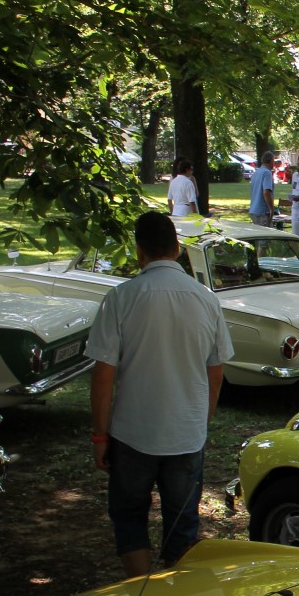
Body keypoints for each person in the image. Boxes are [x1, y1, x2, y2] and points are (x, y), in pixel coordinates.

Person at [87, 211, 234, 577]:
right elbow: (215, 373)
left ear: (139, 252)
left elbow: (103, 375)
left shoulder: (122, 298)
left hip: (132, 431)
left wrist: (99, 435)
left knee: (129, 514)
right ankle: (170, 595)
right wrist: (202, 422)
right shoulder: (206, 300)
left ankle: (140, 588)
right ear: (179, 249)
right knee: (182, 522)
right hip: (186, 432)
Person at [249, 151, 277, 226]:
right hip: (262, 212)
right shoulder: (267, 173)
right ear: (271, 160)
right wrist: (271, 208)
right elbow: (266, 192)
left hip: (253, 210)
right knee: (267, 235)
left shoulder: (256, 173)